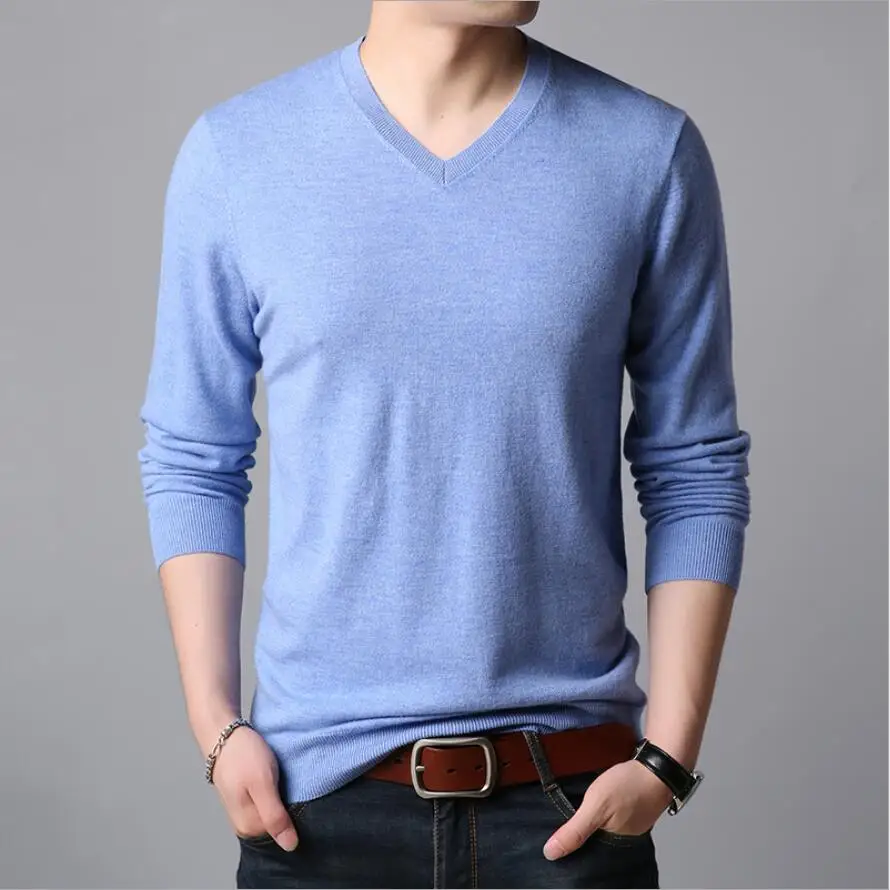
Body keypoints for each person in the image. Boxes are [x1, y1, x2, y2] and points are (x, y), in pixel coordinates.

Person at [137, 0, 751, 886]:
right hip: (316, 809)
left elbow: (693, 464)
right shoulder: (239, 153)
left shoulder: (644, 151)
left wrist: (668, 757)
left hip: (568, 802)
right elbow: (195, 454)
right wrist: (216, 727)